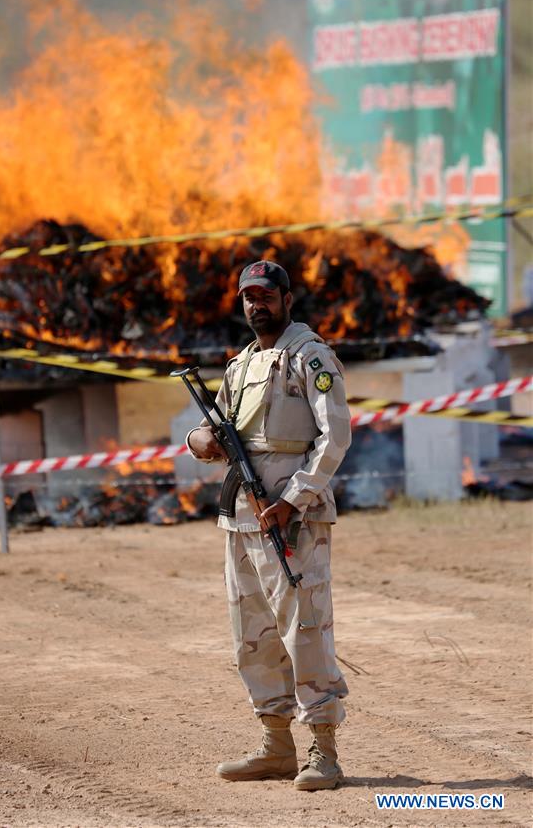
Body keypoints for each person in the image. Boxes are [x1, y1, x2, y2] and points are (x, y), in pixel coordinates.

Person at [186, 259, 352, 792]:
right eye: (249, 297)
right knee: (252, 636)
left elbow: (336, 436)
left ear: (287, 298)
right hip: (240, 518)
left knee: (304, 628)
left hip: (291, 517)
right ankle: (276, 745)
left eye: (266, 295)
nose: (258, 304)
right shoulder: (240, 366)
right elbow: (213, 430)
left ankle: (322, 751)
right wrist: (200, 442)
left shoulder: (311, 357)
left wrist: (295, 497)